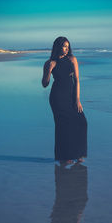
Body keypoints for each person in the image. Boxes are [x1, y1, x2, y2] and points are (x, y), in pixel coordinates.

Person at [42, 36, 87, 165]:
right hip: (57, 98)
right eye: (64, 46)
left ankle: (78, 153)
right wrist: (49, 71)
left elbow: (77, 80)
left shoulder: (72, 60)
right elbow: (45, 84)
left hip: (71, 96)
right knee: (63, 126)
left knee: (81, 122)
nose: (66, 49)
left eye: (68, 46)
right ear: (57, 47)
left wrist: (77, 99)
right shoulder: (49, 63)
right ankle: (64, 157)